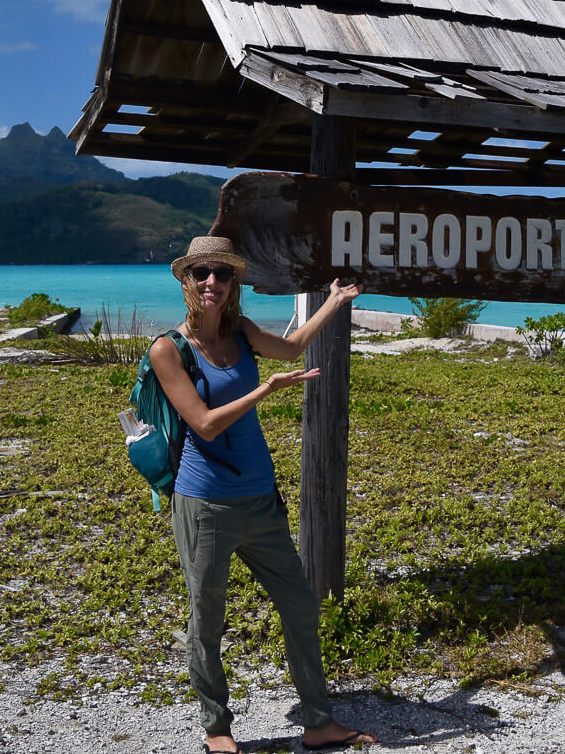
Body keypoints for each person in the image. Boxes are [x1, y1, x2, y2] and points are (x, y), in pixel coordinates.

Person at [152, 235, 378, 753]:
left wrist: (334, 302)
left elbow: (294, 347)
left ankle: (318, 722)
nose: (212, 282)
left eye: (222, 274)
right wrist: (265, 391)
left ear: (234, 284)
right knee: (206, 619)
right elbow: (204, 424)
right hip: (204, 505)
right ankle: (217, 728)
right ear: (187, 280)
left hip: (260, 501)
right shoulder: (169, 348)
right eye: (202, 273)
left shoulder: (243, 332)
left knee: (299, 605)